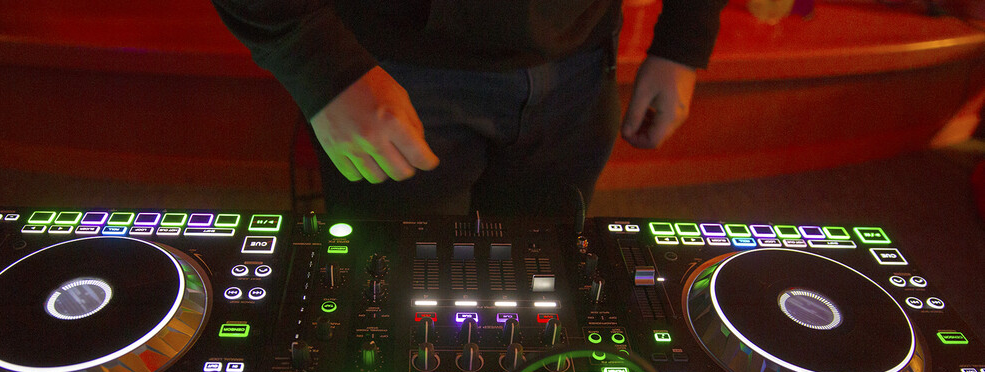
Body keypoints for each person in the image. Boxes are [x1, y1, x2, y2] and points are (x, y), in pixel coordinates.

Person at [212, 0, 728, 217]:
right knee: (390, 296)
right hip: (388, 67)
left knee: (542, 283)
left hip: (579, 59)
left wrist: (685, 36)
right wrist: (321, 64)